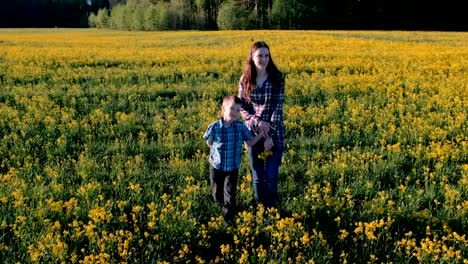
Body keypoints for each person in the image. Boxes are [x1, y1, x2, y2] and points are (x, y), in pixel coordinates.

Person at [203, 95, 272, 225]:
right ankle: (219, 204)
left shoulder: (240, 127)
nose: (235, 112)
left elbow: (250, 142)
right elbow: (209, 142)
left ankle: (227, 217)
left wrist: (261, 135)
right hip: (216, 166)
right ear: (223, 109)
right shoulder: (214, 127)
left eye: (238, 110)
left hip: (233, 167)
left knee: (230, 193)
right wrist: (211, 142)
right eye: (232, 109)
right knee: (217, 193)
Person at [238, 41, 285, 209]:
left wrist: (269, 135)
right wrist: (258, 122)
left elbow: (278, 109)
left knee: (271, 176)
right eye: (259, 55)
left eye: (266, 55)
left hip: (274, 135)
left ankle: (272, 209)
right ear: (252, 57)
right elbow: (242, 107)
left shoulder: (277, 78)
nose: (263, 59)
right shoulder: (245, 79)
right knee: (257, 176)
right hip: (253, 134)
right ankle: (261, 209)